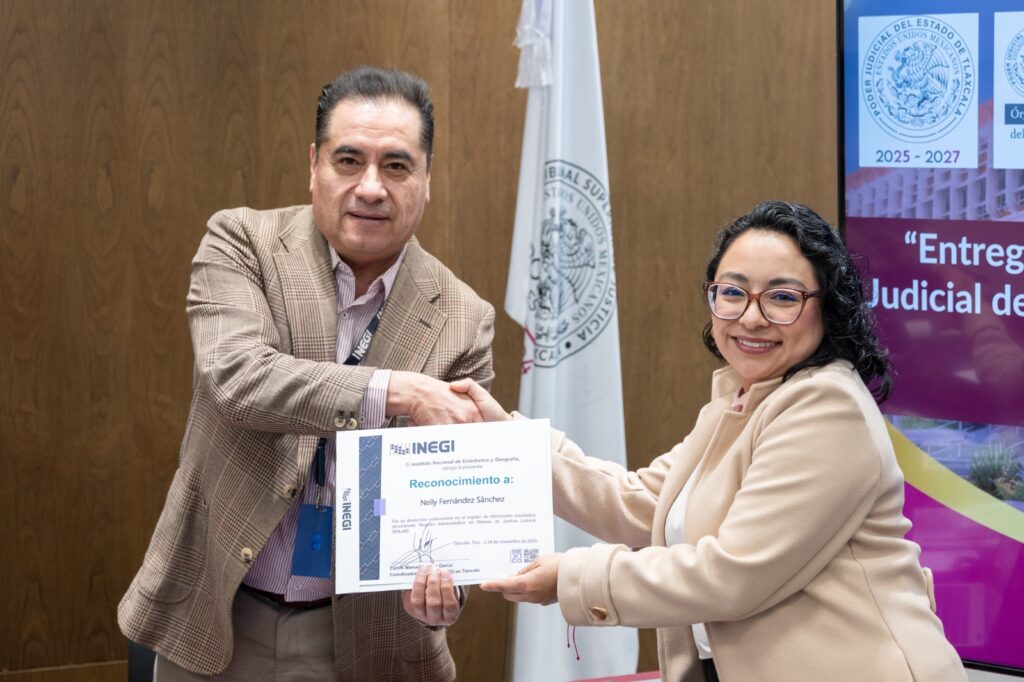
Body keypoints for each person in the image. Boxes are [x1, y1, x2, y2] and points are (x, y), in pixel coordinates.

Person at [459, 201, 967, 681]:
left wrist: (572, 578)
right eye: (732, 292)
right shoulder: (743, 397)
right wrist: (510, 443)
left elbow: (733, 573)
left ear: (828, 308)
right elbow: (641, 501)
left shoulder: (828, 406)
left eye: (783, 297)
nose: (751, 316)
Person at [118, 66, 494, 681]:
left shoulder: (463, 319)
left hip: (360, 636)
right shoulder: (242, 243)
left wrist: (447, 585)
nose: (371, 187)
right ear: (314, 164)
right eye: (349, 160)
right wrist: (395, 390)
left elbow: (453, 492)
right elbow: (239, 378)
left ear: (427, 180)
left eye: (396, 166)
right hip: (220, 614)